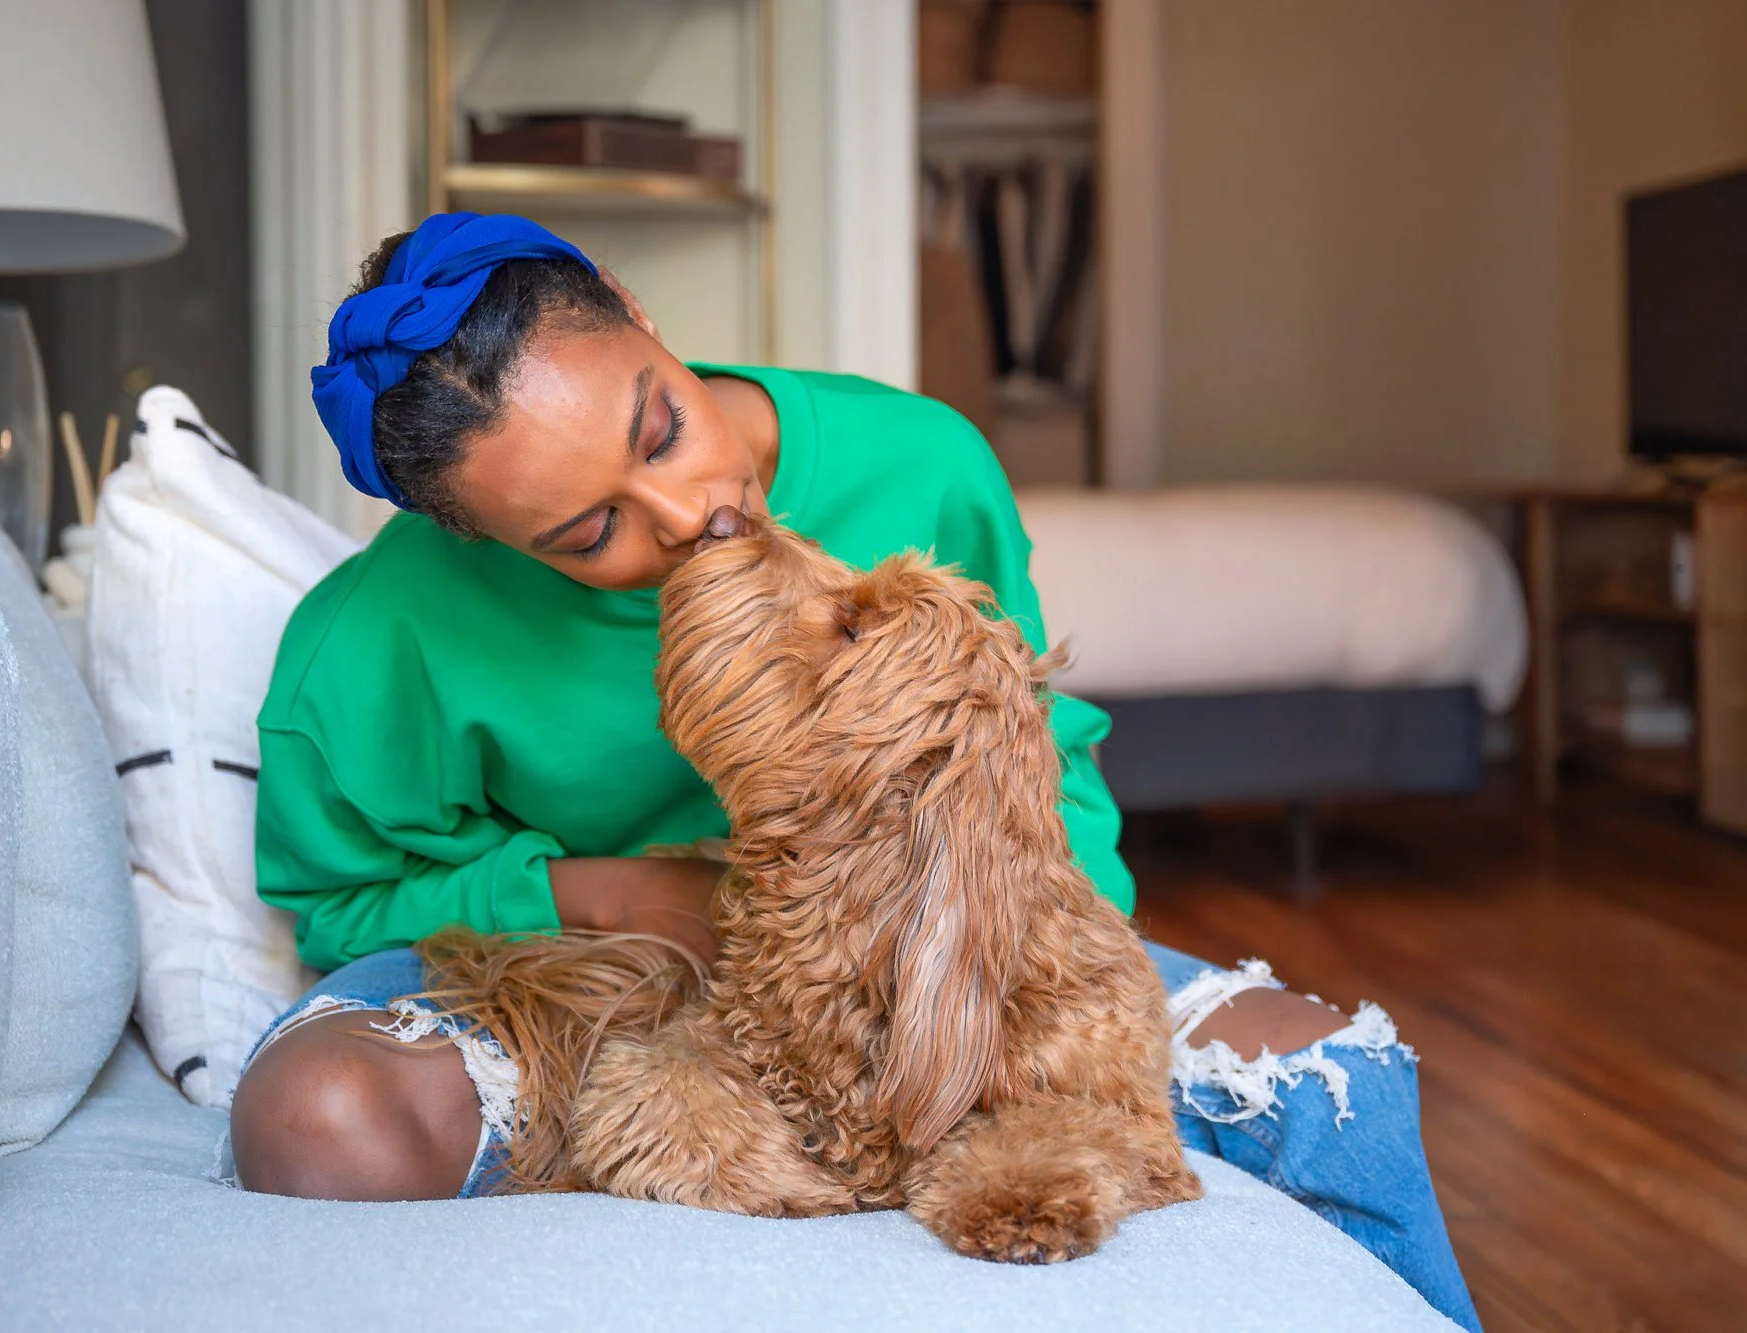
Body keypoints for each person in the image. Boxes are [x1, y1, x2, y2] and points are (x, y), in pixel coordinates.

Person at [227, 213, 1479, 1330]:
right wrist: (608, 897)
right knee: (320, 1121)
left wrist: (1045, 969)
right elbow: (338, 901)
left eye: (660, 427)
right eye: (587, 531)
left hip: (935, 931)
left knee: (1340, 1081)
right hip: (589, 971)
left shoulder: (918, 462)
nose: (685, 515)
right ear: (467, 535)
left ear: (637, 311)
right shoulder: (371, 637)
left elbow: (1026, 733)